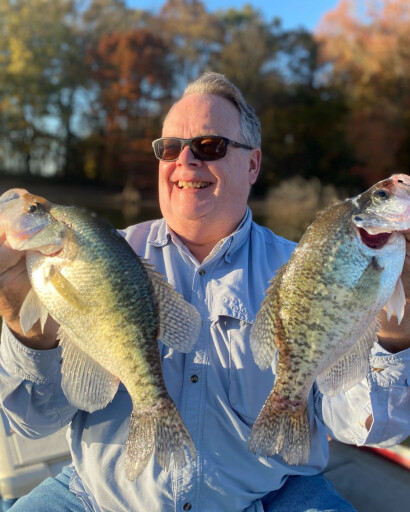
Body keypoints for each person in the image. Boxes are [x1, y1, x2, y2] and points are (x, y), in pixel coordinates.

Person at [0, 72, 409, 512]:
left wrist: (396, 332)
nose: (186, 161)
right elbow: (30, 422)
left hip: (269, 497)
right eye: (170, 148)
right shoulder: (93, 258)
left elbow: (365, 427)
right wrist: (25, 326)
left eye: (210, 146)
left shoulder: (308, 269)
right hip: (96, 498)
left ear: (252, 165)